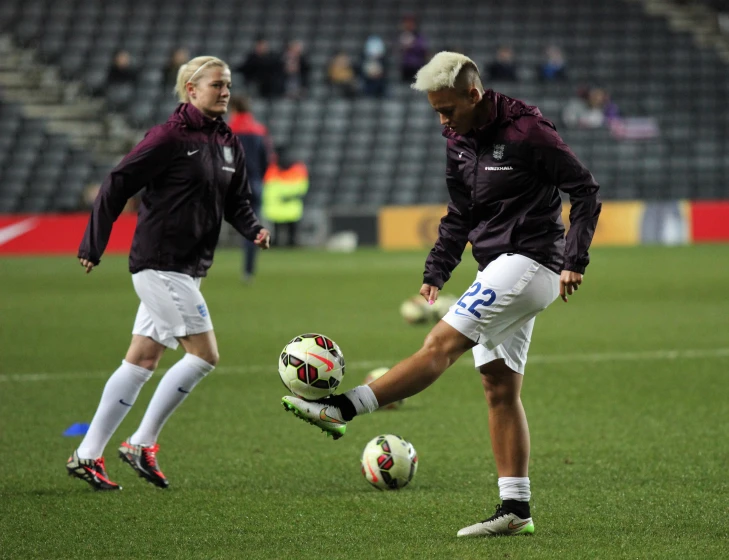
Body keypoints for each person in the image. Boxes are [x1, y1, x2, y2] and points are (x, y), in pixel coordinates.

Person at [281, 52, 601, 537]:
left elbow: (585, 189)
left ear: (474, 94)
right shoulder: (458, 140)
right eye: (436, 111)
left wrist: (575, 260)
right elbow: (460, 213)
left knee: (440, 346)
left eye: (448, 109)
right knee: (499, 386)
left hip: (531, 261)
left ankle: (340, 408)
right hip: (497, 266)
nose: (442, 120)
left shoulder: (528, 130)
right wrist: (437, 269)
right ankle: (516, 508)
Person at [67, 55, 271, 491]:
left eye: (229, 84)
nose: (225, 91)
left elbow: (237, 201)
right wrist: (94, 243)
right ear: (191, 89)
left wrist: (254, 229)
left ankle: (87, 454)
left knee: (141, 358)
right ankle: (141, 442)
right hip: (160, 264)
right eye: (217, 84)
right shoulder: (169, 137)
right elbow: (118, 181)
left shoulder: (229, 141)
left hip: (189, 268)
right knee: (204, 355)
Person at [228, 95, 273, 282]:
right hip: (253, 184)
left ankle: (197, 268)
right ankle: (248, 272)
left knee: (207, 224)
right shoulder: (259, 130)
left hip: (229, 184)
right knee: (252, 228)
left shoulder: (227, 131)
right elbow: (267, 160)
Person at [262, 146, 308, 247]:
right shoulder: (298, 168)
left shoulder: (271, 168)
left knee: (281, 230)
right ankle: (290, 243)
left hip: (277, 206)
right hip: (289, 206)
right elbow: (303, 187)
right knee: (290, 231)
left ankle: (281, 243)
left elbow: (266, 186)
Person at [398, 14, 429, 82]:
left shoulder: (419, 36)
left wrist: (412, 45)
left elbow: (423, 49)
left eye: (410, 23)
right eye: (406, 23)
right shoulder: (403, 36)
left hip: (417, 65)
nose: (408, 25)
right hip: (406, 66)